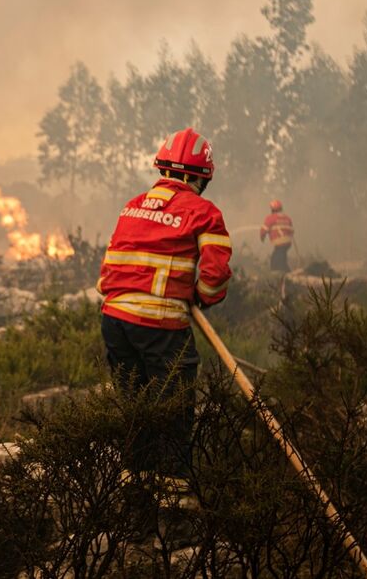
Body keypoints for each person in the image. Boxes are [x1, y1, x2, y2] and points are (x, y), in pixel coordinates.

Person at [97, 127, 232, 541]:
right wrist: (200, 296)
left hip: (115, 321)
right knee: (173, 414)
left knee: (136, 412)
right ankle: (175, 521)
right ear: (200, 177)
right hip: (160, 326)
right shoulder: (203, 213)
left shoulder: (132, 206)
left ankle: (134, 516)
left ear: (163, 170)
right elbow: (215, 275)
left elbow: (106, 273)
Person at [260, 200, 294, 272]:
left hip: (279, 242)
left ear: (272, 209)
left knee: (275, 261)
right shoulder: (287, 218)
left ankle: (281, 273)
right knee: (281, 257)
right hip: (288, 243)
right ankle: (286, 271)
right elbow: (291, 231)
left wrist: (262, 237)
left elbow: (263, 230)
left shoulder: (271, 218)